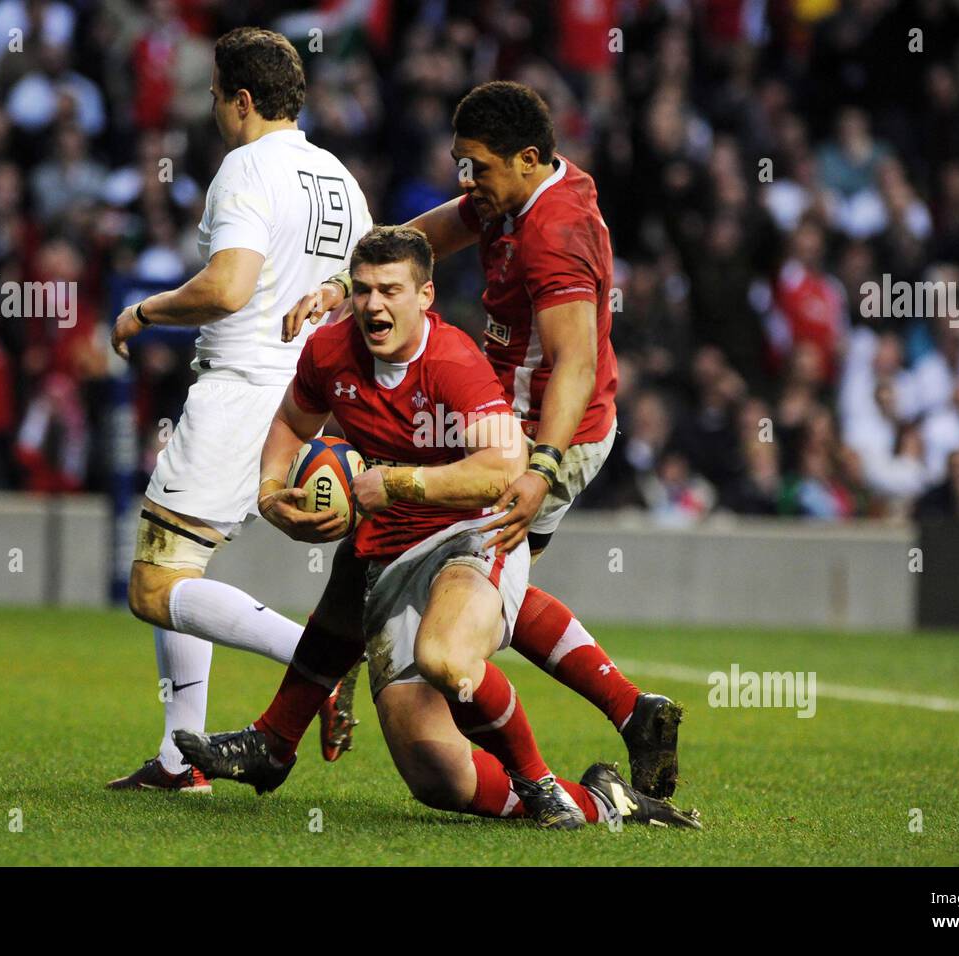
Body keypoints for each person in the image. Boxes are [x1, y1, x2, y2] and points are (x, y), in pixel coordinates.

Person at [175, 227, 699, 830]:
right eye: (365, 290)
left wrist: (396, 483)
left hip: (472, 536)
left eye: (391, 290)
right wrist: (270, 494)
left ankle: (540, 780)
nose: (375, 304)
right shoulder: (329, 351)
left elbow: (504, 467)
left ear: (425, 295)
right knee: (436, 776)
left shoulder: (454, 364)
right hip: (389, 556)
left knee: (447, 657)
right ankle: (606, 801)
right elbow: (292, 423)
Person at [282, 82, 684, 798]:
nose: (468, 181)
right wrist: (347, 286)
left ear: (528, 159)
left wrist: (541, 468)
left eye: (479, 167)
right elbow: (426, 237)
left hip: (544, 431)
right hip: (504, 416)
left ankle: (544, 781)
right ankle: (632, 710)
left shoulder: (554, 236)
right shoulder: (514, 190)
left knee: (462, 568)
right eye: (461, 164)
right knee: (483, 573)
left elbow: (577, 366)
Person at [104, 27, 372, 792]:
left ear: (242, 99)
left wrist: (146, 311)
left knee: (152, 586)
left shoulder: (245, 167)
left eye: (217, 94)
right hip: (306, 402)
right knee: (181, 568)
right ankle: (176, 760)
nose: (214, 108)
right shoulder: (339, 178)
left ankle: (313, 656)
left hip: (242, 388)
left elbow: (228, 286)